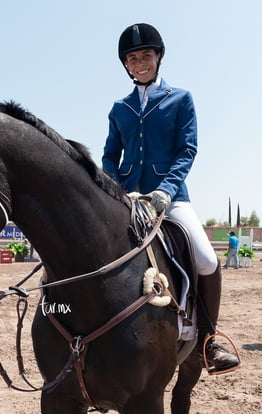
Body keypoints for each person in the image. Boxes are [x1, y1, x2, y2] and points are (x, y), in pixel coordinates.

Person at [102, 23, 239, 373]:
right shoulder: (120, 108)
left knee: (208, 259)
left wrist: (166, 189)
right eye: (133, 58)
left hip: (171, 197)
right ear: (126, 65)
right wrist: (116, 188)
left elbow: (187, 149)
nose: (140, 62)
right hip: (129, 198)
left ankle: (208, 340)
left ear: (158, 57)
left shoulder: (181, 99)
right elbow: (108, 156)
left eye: (145, 55)